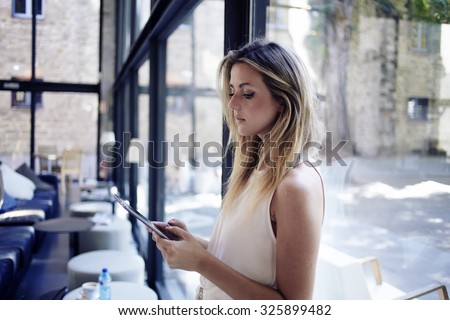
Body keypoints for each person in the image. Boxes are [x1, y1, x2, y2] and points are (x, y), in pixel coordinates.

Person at [150, 38, 325, 300]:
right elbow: (247, 262)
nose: (232, 105)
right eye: (231, 91)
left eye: (247, 93)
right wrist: (194, 247)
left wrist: (201, 263)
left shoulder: (293, 187)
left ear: (284, 99)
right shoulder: (256, 168)